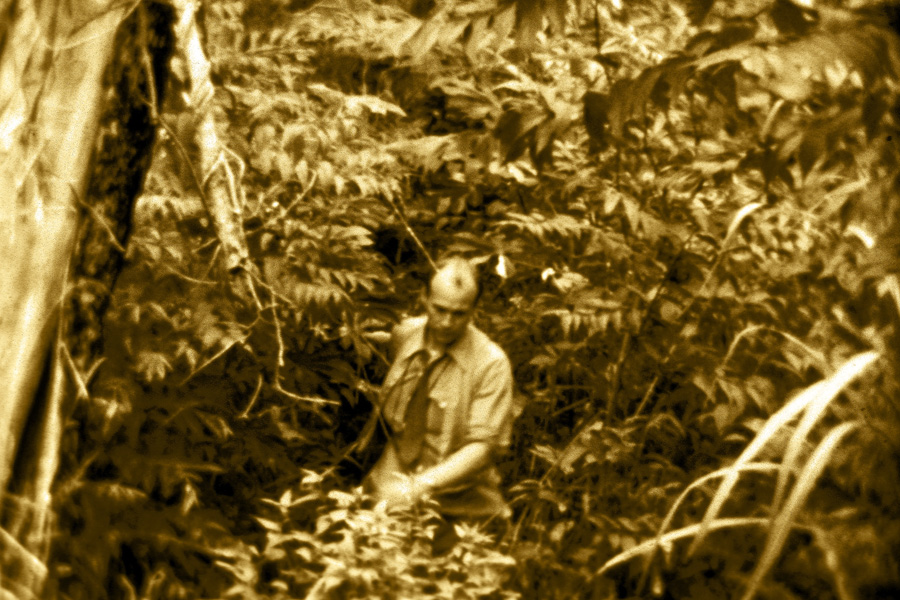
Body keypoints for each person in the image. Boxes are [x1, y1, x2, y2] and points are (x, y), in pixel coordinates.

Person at [365, 256, 515, 524]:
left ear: (474, 310)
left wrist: (418, 486)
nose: (447, 322)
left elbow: (482, 448)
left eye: (459, 314)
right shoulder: (404, 335)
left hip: (461, 505)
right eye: (440, 310)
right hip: (390, 487)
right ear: (424, 298)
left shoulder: (491, 363)